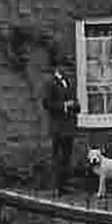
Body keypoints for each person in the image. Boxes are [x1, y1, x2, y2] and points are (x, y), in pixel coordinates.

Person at [42, 65, 80, 193]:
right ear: (58, 68)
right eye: (65, 67)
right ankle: (55, 187)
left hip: (69, 126)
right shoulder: (50, 83)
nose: (68, 70)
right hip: (57, 126)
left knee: (66, 157)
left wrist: (75, 105)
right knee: (56, 157)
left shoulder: (69, 82)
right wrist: (64, 105)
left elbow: (76, 104)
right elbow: (46, 103)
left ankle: (64, 185)